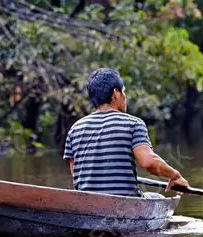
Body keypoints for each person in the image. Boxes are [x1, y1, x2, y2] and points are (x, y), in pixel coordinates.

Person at [63, 67, 191, 197]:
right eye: (124, 92)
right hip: (125, 203)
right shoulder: (133, 124)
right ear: (115, 94)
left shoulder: (75, 129)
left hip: (87, 204)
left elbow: (76, 176)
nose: (125, 97)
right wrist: (175, 176)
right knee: (158, 197)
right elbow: (148, 162)